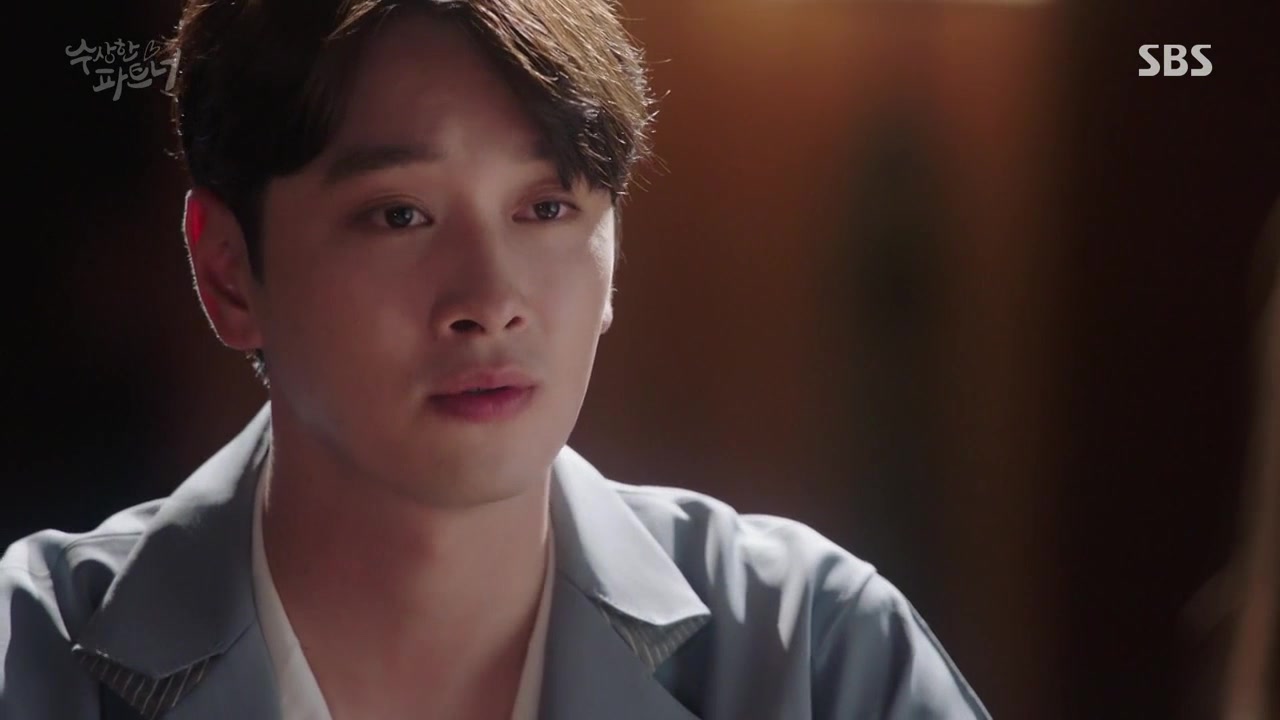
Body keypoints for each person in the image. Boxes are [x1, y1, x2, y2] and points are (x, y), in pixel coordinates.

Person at [1, 1, 991, 718]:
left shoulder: (809, 654)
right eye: (400, 215)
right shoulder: (30, 660)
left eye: (546, 208)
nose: (489, 300)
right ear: (227, 274)